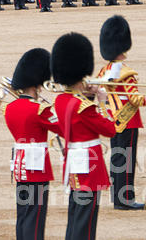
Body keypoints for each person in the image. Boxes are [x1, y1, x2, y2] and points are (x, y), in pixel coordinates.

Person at [50, 33, 116, 240]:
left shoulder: (61, 100)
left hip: (74, 160)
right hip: (89, 162)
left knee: (76, 213)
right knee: (86, 218)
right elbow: (110, 129)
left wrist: (87, 95)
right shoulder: (84, 106)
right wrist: (103, 102)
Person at [97, 15, 146, 211]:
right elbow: (135, 99)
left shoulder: (104, 71)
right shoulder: (127, 72)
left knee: (117, 158)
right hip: (129, 121)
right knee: (126, 160)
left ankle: (117, 197)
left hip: (112, 119)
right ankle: (125, 198)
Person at [4, 49, 59, 240]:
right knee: (35, 216)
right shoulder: (40, 110)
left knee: (23, 213)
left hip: (20, 165)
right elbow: (61, 127)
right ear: (36, 86)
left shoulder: (10, 108)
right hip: (36, 166)